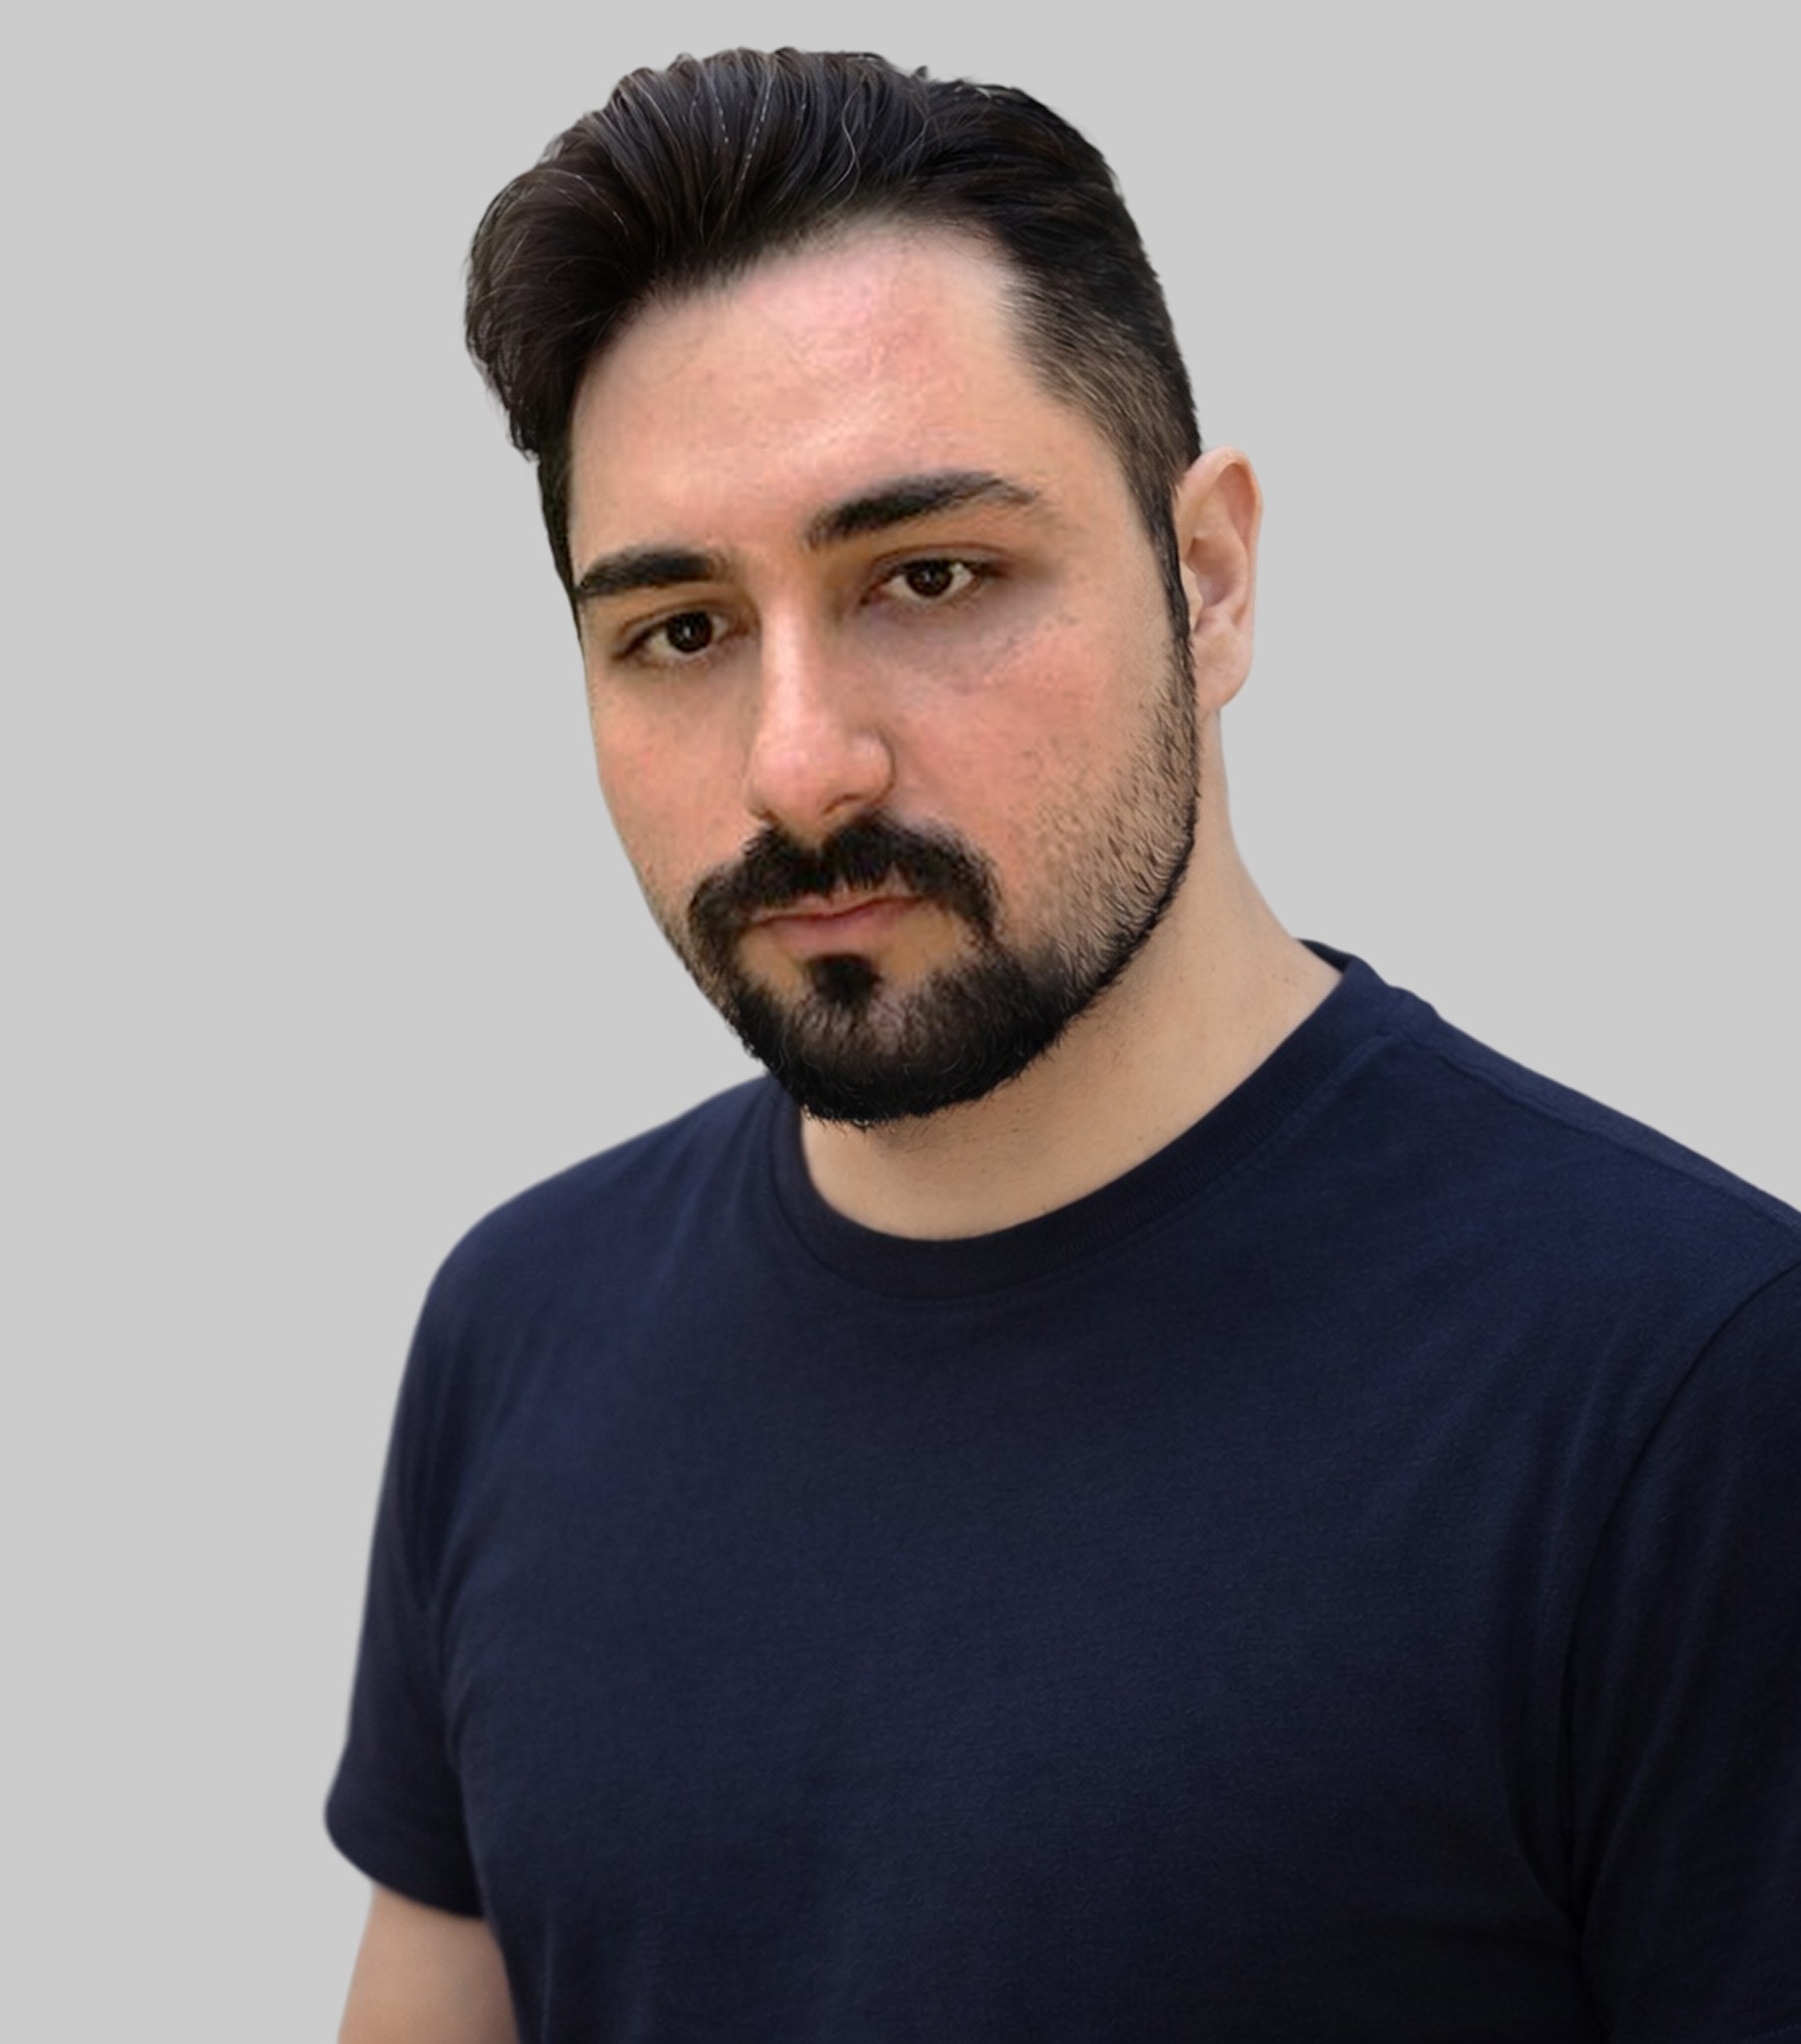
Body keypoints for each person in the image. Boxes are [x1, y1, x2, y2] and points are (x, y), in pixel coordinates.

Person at [327, 47, 1801, 2044]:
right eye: (678, 626)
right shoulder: (518, 1330)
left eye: (929, 576)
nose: (799, 764)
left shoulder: (1692, 1393)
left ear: (1208, 578)